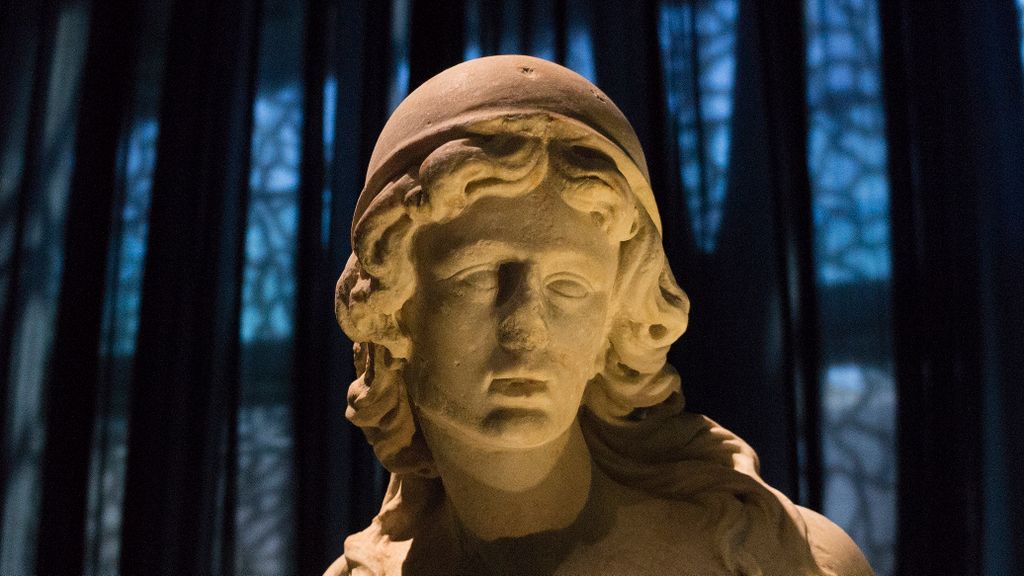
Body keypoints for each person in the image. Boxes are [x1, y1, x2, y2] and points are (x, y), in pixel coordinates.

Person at [328, 55, 872, 575]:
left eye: (569, 287)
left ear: (617, 318)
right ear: (393, 314)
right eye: (475, 278)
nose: (524, 328)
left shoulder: (777, 560)